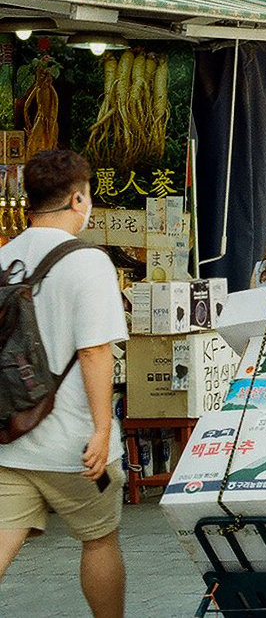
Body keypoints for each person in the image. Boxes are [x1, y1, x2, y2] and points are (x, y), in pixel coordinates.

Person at [0, 150, 127, 617]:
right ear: (78, 199)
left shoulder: (4, 256)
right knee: (99, 540)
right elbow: (95, 351)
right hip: (76, 447)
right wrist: (102, 429)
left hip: (11, 437)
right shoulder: (88, 262)